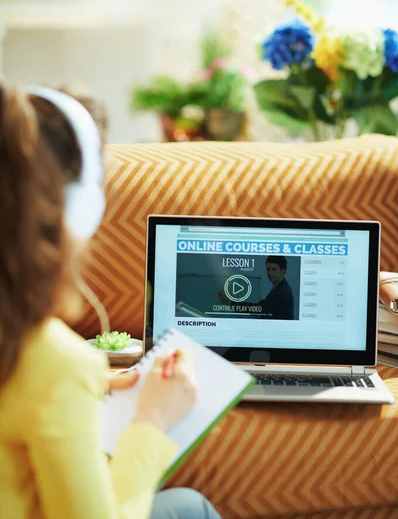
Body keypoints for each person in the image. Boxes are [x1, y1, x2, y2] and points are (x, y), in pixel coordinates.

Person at [0, 82, 221, 519]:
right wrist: (152, 422)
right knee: (192, 509)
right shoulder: (52, 363)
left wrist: (87, 383)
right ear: (78, 209)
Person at [219, 255, 295, 320]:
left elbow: (258, 309)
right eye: (268, 269)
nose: (270, 273)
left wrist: (230, 301)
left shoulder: (282, 291)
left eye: (274, 269)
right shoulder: (280, 288)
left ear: (283, 271)